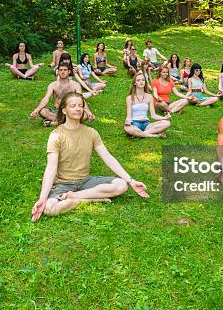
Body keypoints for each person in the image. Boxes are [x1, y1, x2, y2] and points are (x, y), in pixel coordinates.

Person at [31, 92, 149, 221]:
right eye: (73, 106)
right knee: (49, 208)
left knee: (122, 185)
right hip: (63, 184)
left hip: (85, 182)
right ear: (64, 110)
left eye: (80, 106)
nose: (78, 109)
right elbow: (51, 168)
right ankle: (89, 199)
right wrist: (42, 199)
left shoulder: (91, 132)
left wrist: (131, 181)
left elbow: (108, 157)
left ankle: (73, 197)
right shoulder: (56, 135)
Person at [31, 62, 95, 126]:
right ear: (58, 72)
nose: (62, 72)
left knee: (85, 115)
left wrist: (88, 111)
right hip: (56, 111)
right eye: (60, 70)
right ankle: (68, 122)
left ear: (69, 72)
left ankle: (56, 122)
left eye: (65, 70)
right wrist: (36, 110)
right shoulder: (53, 85)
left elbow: (81, 99)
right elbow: (46, 98)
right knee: (42, 111)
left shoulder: (75, 85)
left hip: (71, 110)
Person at [124, 72, 171, 138]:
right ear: (135, 83)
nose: (141, 82)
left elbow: (153, 115)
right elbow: (128, 116)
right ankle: (154, 135)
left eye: (143, 80)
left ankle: (140, 134)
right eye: (138, 80)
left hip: (147, 124)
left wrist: (164, 118)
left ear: (145, 82)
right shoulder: (129, 98)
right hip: (135, 124)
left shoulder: (149, 96)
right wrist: (127, 121)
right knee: (127, 128)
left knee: (167, 123)